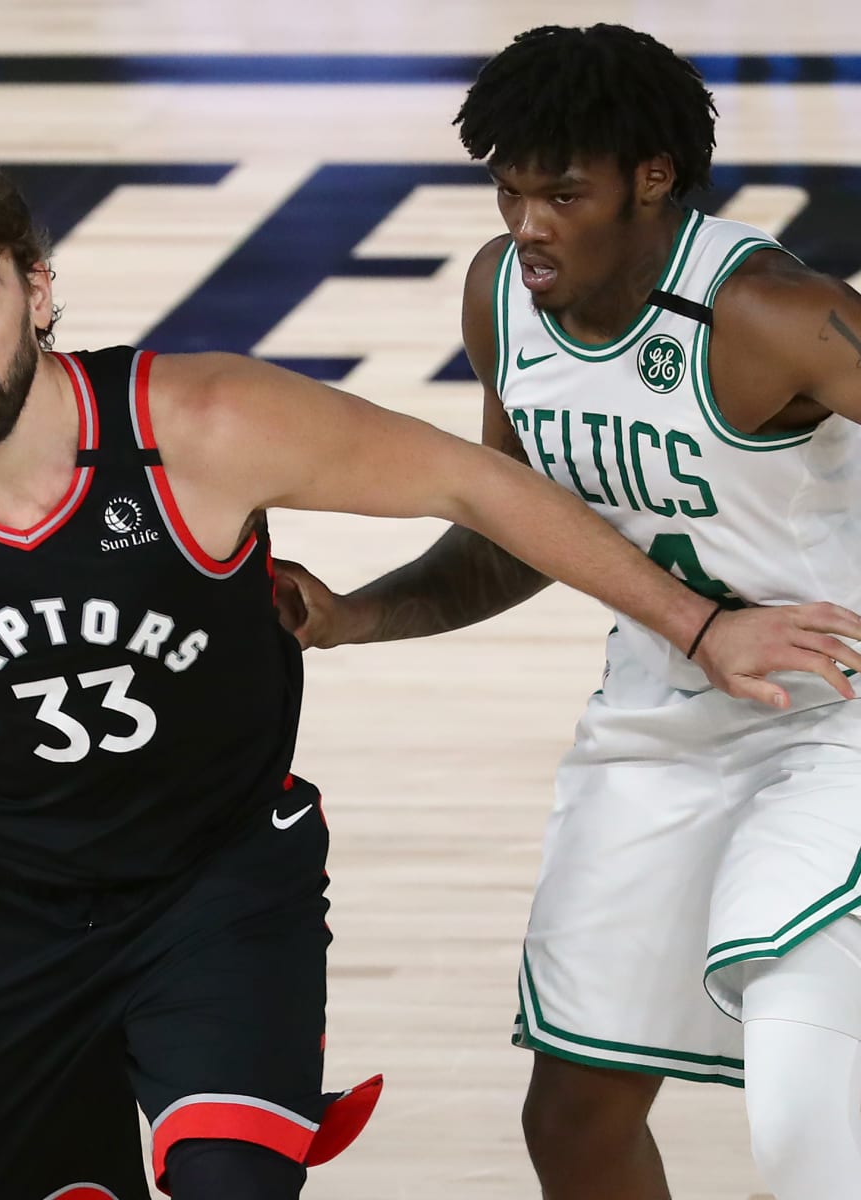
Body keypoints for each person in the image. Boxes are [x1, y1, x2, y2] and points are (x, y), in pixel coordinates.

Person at [0, 154, 857, 1200]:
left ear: (38, 292)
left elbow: (479, 482)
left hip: (214, 892)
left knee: (231, 1176)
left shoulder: (199, 425)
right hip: (1, 918)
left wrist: (700, 627)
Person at [277, 24, 861, 1200]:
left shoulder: (774, 316)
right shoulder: (500, 298)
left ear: (652, 180)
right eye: (509, 191)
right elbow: (522, 532)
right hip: (661, 720)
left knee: (801, 1078)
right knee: (575, 1118)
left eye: (561, 195)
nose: (527, 225)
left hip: (834, 714)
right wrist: (351, 617)